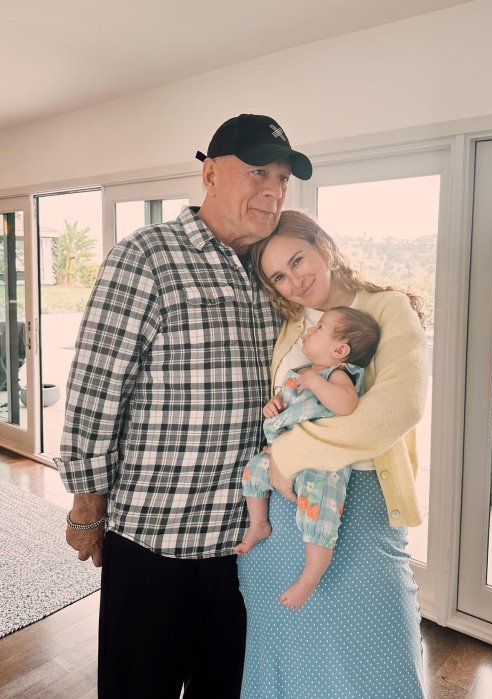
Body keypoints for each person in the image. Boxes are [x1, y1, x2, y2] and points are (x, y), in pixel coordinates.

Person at [54, 114, 312, 699]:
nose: (272, 189)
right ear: (210, 173)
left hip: (248, 542)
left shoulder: (271, 273)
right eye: (256, 172)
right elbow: (96, 389)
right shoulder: (146, 255)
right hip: (158, 538)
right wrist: (87, 509)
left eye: (281, 177)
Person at [237, 209, 429, 699]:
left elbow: (395, 410)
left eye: (298, 260)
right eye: (279, 276)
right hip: (280, 512)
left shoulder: (385, 309)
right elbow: (292, 399)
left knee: (374, 653)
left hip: (358, 502)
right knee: (284, 649)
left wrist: (289, 453)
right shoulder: (292, 326)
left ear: (322, 245)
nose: (295, 281)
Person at [235, 306, 380, 610]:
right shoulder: (300, 373)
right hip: (284, 452)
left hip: (322, 464)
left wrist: (317, 383)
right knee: (253, 471)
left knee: (319, 515)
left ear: (339, 349)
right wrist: (274, 403)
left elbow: (345, 406)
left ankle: (310, 577)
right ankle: (258, 523)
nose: (309, 331)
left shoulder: (337, 375)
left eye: (319, 329)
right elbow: (288, 400)